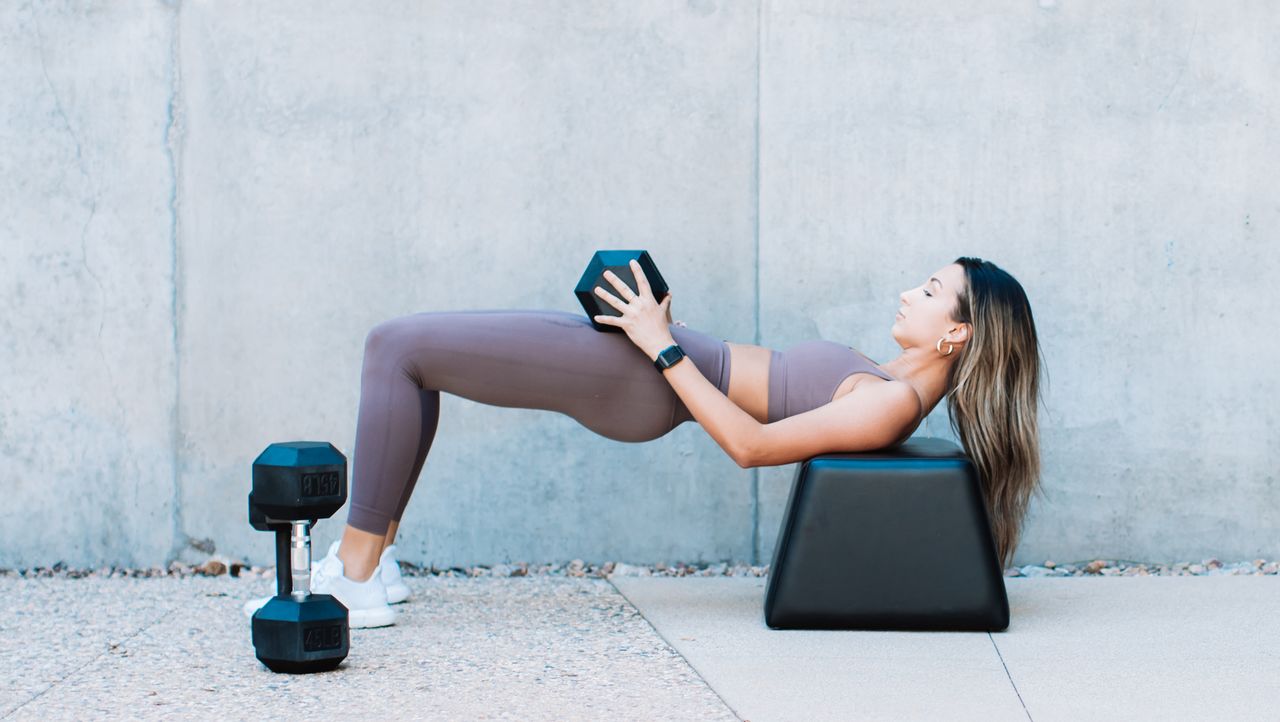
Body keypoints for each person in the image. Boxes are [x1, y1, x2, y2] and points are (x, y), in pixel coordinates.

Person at [246, 256, 1044, 627]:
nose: (911, 290)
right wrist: (665, 329)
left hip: (640, 379)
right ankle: (371, 563)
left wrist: (661, 343)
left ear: (958, 334)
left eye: (932, 291)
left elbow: (751, 445)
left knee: (397, 346)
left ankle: (353, 576)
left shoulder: (890, 403)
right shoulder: (889, 378)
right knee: (412, 359)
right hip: (649, 362)